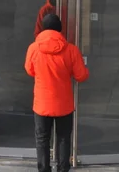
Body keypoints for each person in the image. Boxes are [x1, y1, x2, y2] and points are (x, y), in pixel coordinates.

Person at [25, 14, 89, 172]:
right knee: (63, 139)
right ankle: (62, 169)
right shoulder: (71, 50)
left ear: (43, 30)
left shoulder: (34, 48)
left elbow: (29, 70)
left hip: (41, 104)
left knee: (42, 139)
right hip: (64, 104)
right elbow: (81, 75)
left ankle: (44, 169)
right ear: (60, 30)